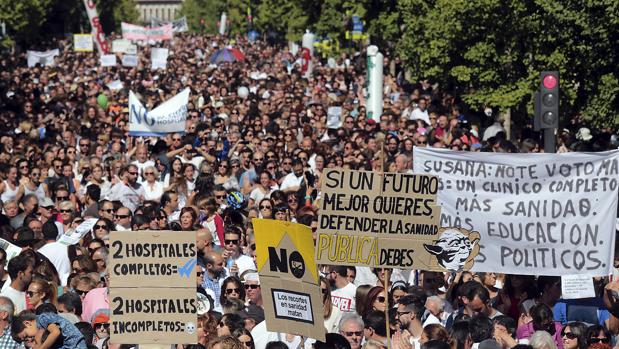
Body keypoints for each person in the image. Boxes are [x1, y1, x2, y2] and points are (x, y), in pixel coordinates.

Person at [11, 310, 87, 348]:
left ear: (27, 323)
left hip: (76, 344)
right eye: (25, 340)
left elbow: (55, 332)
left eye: (26, 336)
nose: (29, 339)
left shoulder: (42, 319)